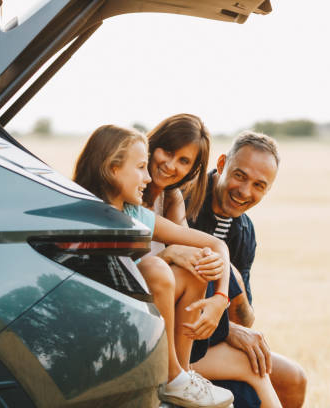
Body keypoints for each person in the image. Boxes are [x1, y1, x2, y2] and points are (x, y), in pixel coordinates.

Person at [73, 124, 234, 408]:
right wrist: (165, 258)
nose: (148, 177)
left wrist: (221, 297)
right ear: (112, 169)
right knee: (158, 269)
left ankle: (182, 377)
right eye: (140, 167)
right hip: (103, 323)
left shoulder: (136, 214)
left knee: (194, 265)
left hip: (139, 314)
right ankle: (173, 377)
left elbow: (215, 244)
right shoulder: (87, 215)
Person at [188, 131, 307, 408]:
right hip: (179, 339)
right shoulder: (184, 202)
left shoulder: (244, 231)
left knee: (294, 379)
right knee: (251, 390)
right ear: (221, 164)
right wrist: (228, 330)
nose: (245, 192)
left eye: (259, 185)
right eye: (240, 176)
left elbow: (243, 318)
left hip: (214, 336)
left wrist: (231, 275)